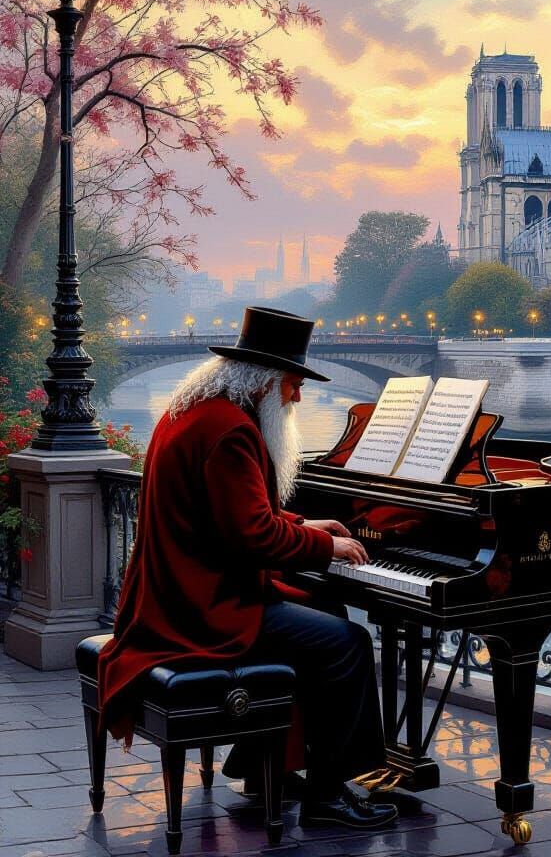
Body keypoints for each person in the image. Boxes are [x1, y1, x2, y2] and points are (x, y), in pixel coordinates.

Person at [97, 307, 397, 829]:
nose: (297, 396)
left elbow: (233, 511)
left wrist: (306, 523)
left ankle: (271, 767)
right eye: (293, 384)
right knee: (347, 644)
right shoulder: (233, 432)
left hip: (176, 592)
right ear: (263, 380)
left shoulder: (196, 411)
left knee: (326, 606)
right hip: (201, 609)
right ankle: (327, 795)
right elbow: (252, 534)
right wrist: (325, 549)